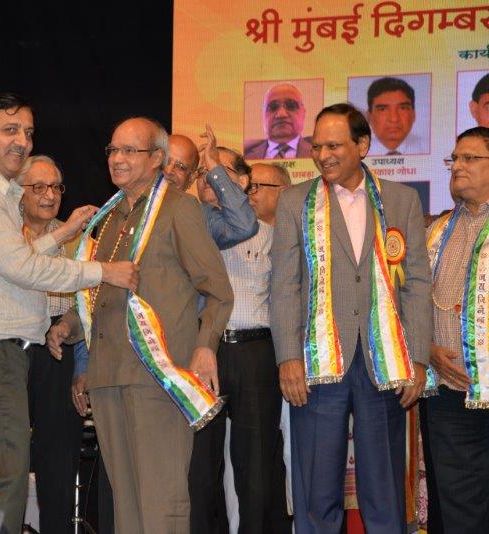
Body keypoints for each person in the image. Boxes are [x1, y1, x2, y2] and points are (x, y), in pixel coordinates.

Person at [0, 92, 138, 533]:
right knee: (4, 478)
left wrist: (62, 234)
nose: (22, 141)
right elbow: (23, 268)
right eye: (10, 130)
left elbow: (13, 260)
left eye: (28, 132)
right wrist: (104, 271)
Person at [47, 116, 234, 534]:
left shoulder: (180, 209)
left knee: (161, 499)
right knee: (126, 505)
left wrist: (206, 345)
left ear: (157, 159)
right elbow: (101, 293)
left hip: (156, 376)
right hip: (108, 375)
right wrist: (70, 326)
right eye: (113, 150)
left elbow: (218, 290)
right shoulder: (109, 218)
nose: (117, 158)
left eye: (129, 150)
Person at [270, 103, 431, 533]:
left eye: (334, 146)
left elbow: (416, 283)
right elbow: (284, 285)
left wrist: (417, 359)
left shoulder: (401, 200)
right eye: (317, 146)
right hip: (317, 361)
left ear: (362, 145)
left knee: (384, 488)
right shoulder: (294, 202)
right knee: (317, 489)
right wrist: (288, 357)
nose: (323, 155)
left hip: (384, 362)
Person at [189, 158, 292, 534]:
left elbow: (285, 301)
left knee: (256, 467)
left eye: (218, 172)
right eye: (202, 173)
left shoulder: (270, 235)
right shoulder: (193, 226)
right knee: (201, 466)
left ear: (244, 182)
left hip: (254, 352)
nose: (208, 179)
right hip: (205, 350)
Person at [424, 126, 489, 533]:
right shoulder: (436, 230)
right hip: (450, 391)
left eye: (470, 158)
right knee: (458, 505)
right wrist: (428, 349)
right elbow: (411, 303)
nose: (457, 167)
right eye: (454, 159)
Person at [17, 155, 85, 533]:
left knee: (58, 462)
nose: (49, 195)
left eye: (56, 187)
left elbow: (87, 301)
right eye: (39, 187)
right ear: (18, 191)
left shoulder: (75, 237)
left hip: (59, 351)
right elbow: (16, 270)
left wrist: (67, 326)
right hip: (12, 351)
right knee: (7, 460)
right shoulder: (5, 231)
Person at [164, 130, 258, 249]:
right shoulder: (139, 200)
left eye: (181, 167)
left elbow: (243, 227)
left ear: (190, 179)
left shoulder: (198, 216)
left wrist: (214, 166)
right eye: (165, 161)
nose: (168, 170)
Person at [245, 83, 312, 160]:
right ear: (263, 115)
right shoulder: (246, 155)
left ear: (303, 113)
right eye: (273, 107)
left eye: (291, 105)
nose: (281, 114)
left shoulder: (317, 153)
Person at [366, 77, 425, 156]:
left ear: (413, 114)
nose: (394, 119)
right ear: (369, 117)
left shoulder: (431, 148)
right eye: (383, 109)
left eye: (403, 108)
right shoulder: (356, 153)